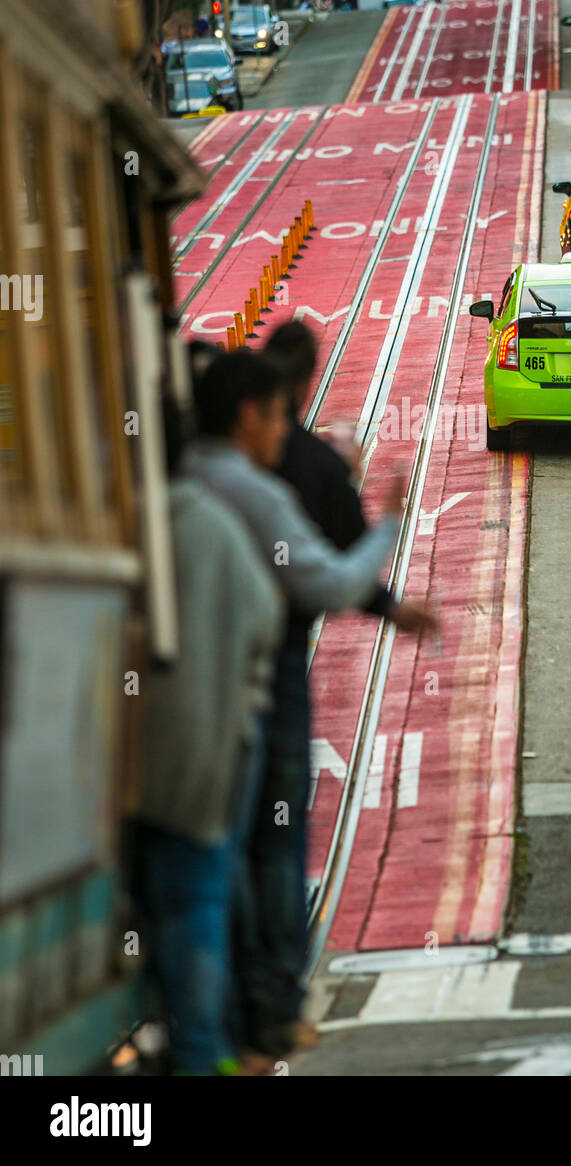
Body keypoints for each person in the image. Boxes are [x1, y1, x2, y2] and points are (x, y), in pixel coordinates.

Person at [187, 350, 403, 1063]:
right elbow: (329, 579)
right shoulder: (250, 492)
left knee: (210, 861)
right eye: (280, 418)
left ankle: (229, 1026)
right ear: (249, 415)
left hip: (182, 697)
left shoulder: (181, 481)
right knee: (261, 847)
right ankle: (265, 1015)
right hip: (248, 689)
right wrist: (388, 528)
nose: (288, 433)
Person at [243, 320, 434, 1054]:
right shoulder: (309, 467)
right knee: (280, 837)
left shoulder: (215, 470)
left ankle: (240, 1004)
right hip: (275, 671)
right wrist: (393, 600)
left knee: (229, 842)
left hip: (206, 675)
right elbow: (340, 569)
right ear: (307, 380)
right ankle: (278, 1005)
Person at [129, 395, 283, 1076]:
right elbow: (264, 615)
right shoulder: (209, 523)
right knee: (200, 895)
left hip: (128, 761)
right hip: (208, 747)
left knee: (165, 898)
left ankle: (193, 1043)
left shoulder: (122, 519)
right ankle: (205, 1050)